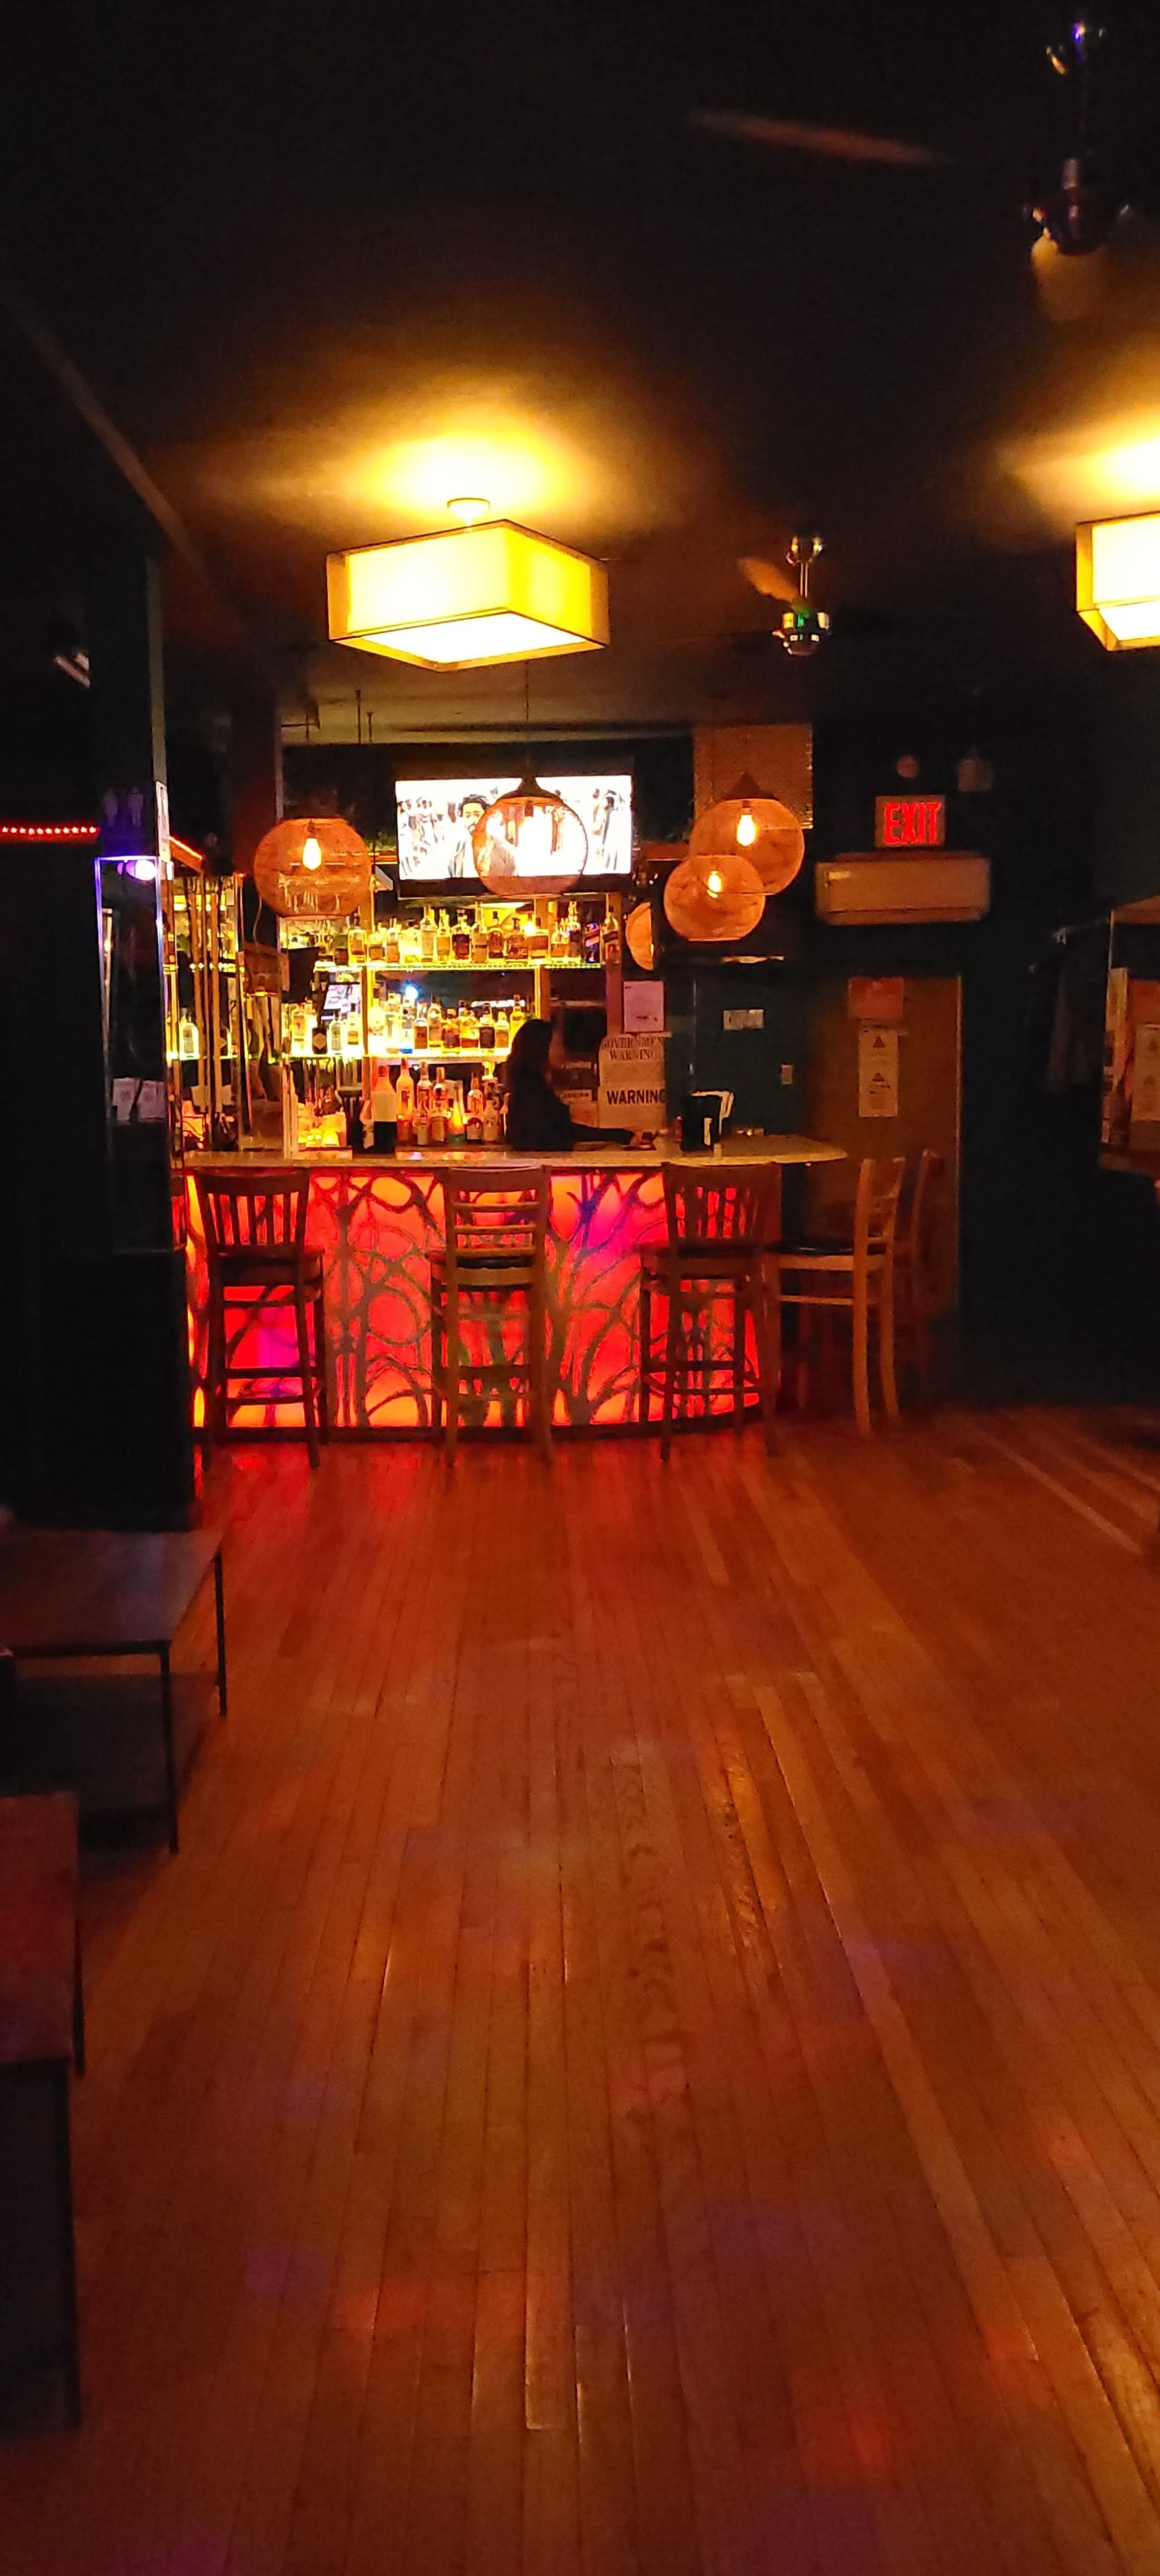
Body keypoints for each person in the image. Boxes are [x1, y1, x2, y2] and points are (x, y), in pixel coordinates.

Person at [503, 1017, 632, 1150]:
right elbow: (555, 1135)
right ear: (542, 1048)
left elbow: (562, 1131)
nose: (562, 1051)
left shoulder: (530, 1086)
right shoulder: (531, 1092)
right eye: (557, 1045)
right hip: (542, 1167)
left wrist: (619, 1136)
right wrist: (620, 1137)